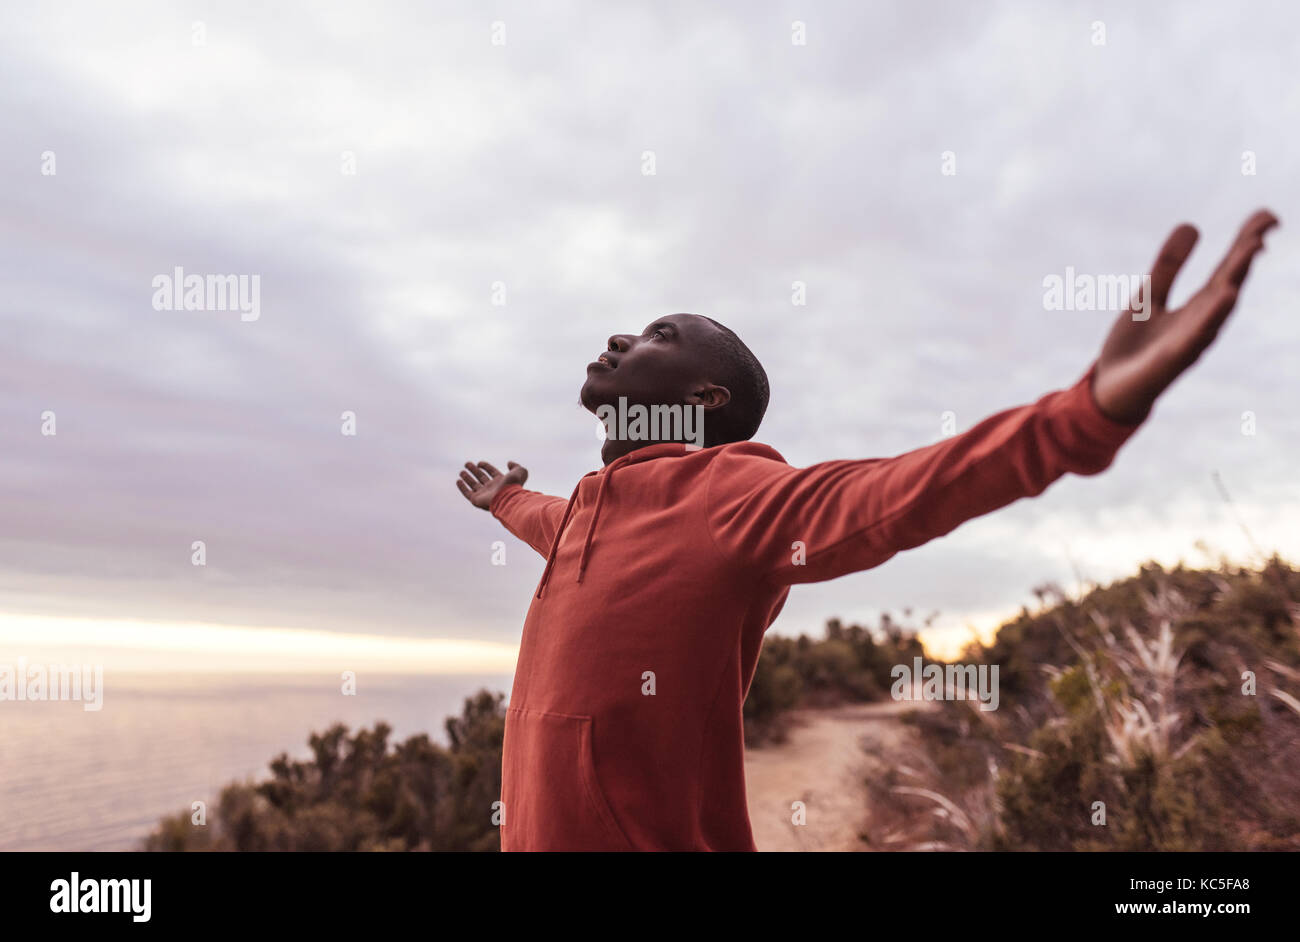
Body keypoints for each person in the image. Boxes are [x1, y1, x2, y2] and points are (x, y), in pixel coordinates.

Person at [457, 210, 1278, 851]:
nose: (620, 338)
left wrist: (1084, 413)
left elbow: (898, 493)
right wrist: (502, 501)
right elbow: (555, 525)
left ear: (706, 400)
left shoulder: (731, 497)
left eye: (658, 335)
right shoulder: (586, 513)